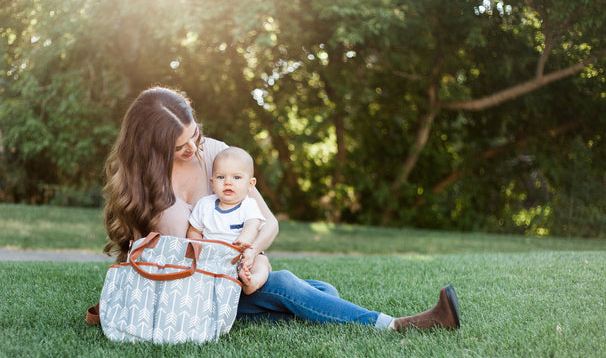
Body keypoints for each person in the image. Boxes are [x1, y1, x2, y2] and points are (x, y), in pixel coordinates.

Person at [102, 86, 460, 332]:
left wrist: (254, 256)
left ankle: (296, 306)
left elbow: (268, 222)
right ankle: (396, 325)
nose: (194, 148)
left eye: (195, 135)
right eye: (181, 145)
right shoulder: (142, 190)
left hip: (238, 274)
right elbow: (148, 265)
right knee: (292, 287)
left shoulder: (215, 155)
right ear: (152, 146)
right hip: (193, 293)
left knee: (321, 291)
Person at [187, 146, 271, 295]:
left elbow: (253, 225)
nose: (228, 182)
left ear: (250, 184)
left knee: (262, 261)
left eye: (236, 177)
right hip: (211, 258)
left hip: (242, 258)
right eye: (221, 177)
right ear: (212, 182)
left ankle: (253, 281)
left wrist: (243, 240)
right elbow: (194, 230)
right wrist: (198, 246)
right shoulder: (205, 205)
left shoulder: (248, 205)